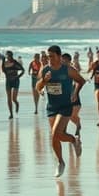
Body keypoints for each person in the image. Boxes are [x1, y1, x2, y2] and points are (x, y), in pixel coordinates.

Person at [36, 45, 85, 177]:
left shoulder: (67, 70)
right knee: (56, 136)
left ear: (59, 56)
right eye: (48, 57)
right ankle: (61, 161)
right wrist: (44, 80)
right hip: (52, 107)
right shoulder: (45, 70)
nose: (49, 59)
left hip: (65, 106)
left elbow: (81, 81)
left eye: (52, 56)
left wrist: (75, 93)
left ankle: (72, 142)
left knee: (55, 133)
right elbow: (38, 87)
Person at [61, 53, 83, 137]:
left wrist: (75, 93)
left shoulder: (72, 70)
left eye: (65, 61)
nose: (63, 62)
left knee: (71, 115)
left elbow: (78, 82)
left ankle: (78, 124)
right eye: (62, 61)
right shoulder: (60, 70)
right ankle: (65, 131)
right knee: (66, 114)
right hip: (64, 96)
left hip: (73, 95)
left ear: (69, 61)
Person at [2, 51, 25, 119]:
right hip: (8, 81)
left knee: (13, 99)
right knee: (9, 98)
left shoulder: (15, 62)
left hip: (15, 81)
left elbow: (23, 70)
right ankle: (11, 114)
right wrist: (3, 61)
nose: (8, 57)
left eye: (9, 56)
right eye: (7, 56)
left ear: (12, 56)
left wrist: (17, 77)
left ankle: (17, 104)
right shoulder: (5, 63)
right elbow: (3, 70)